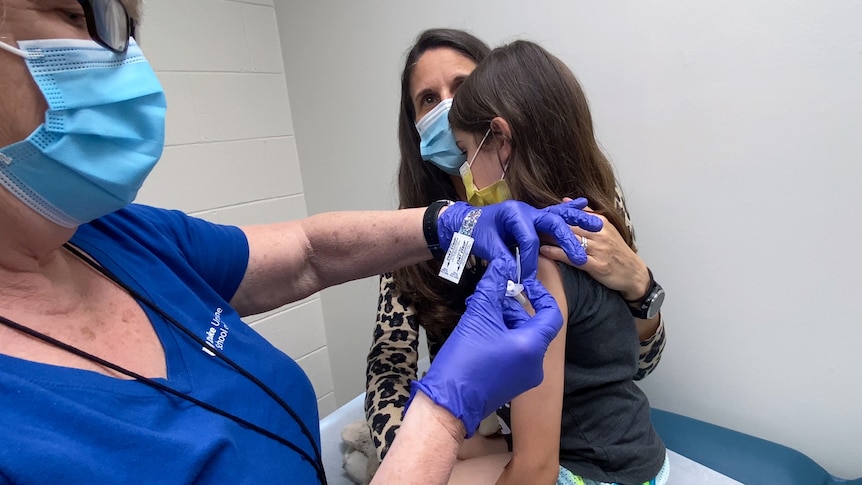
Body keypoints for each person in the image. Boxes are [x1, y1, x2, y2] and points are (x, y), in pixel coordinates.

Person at [0, 1, 602, 484]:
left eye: (129, 27)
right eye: (81, 17)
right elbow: (389, 370)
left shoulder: (115, 235)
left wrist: (638, 292)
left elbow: (310, 252)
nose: (126, 61)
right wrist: (442, 421)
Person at [365, 27, 668, 469]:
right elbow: (388, 368)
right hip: (486, 427)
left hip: (558, 445)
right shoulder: (415, 235)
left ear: (498, 120)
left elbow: (632, 362)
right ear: (413, 124)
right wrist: (416, 456)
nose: (447, 107)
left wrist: (642, 287)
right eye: (428, 99)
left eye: (462, 88)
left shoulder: (567, 223)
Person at [446, 39, 669, 484]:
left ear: (501, 140)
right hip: (640, 456)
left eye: (466, 150)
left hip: (601, 475)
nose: (466, 171)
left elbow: (535, 471)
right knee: (461, 448)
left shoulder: (539, 262)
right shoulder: (593, 223)